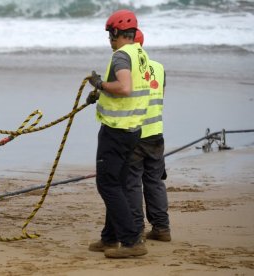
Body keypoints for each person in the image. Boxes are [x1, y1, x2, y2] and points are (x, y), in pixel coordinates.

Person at [86, 9, 150, 258]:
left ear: (116, 32)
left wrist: (100, 84)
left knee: (108, 184)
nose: (109, 41)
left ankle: (131, 241)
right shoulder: (140, 53)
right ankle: (110, 238)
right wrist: (102, 91)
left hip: (117, 130)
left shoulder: (121, 56)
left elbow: (124, 87)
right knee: (118, 183)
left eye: (109, 35)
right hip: (133, 128)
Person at [126, 29, 171, 241]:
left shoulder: (126, 69)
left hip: (135, 133)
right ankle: (162, 228)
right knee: (154, 181)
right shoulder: (159, 68)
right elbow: (160, 94)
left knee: (132, 182)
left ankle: (136, 230)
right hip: (156, 133)